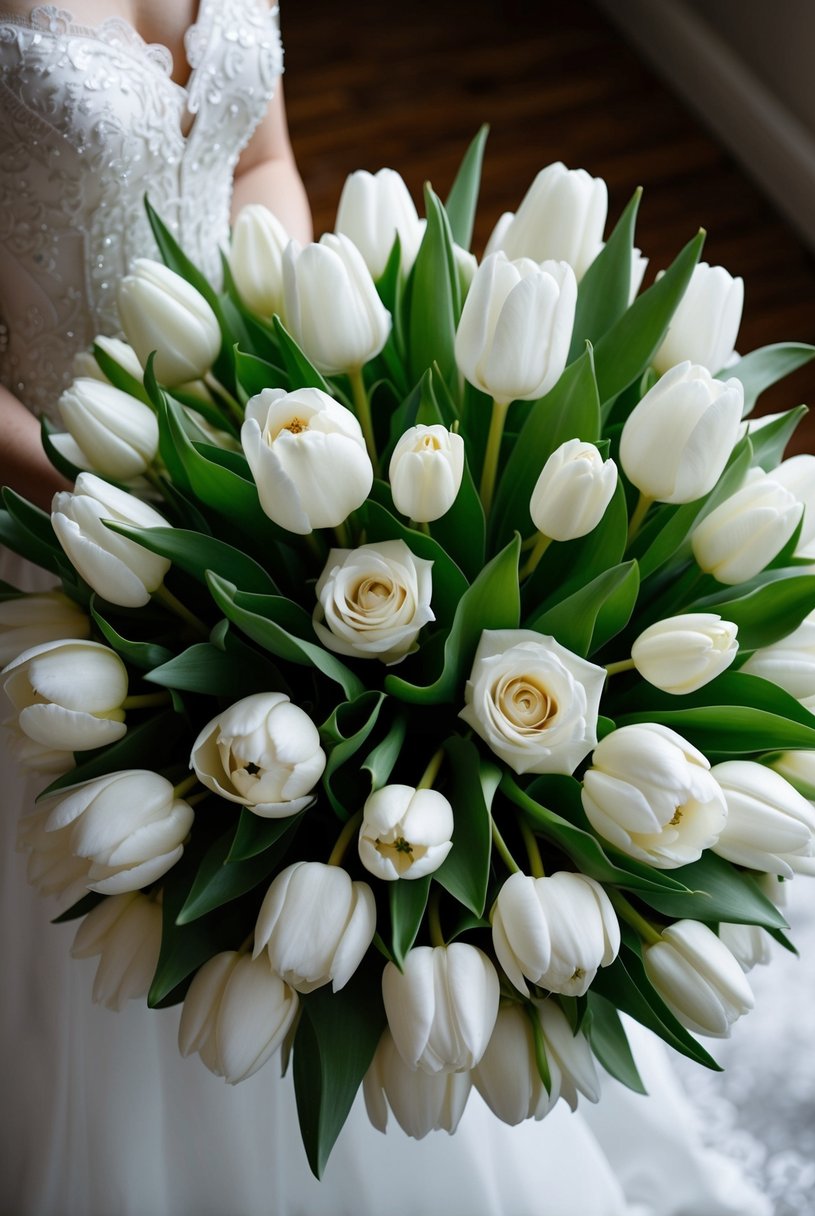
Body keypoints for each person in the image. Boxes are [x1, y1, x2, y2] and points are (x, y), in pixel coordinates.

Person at [0, 4, 775, 1214]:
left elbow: (256, 158)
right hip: (81, 523)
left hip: (267, 439)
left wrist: (294, 369)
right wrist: (124, 500)